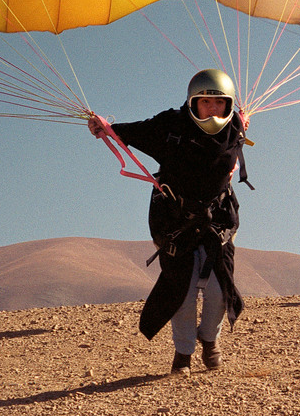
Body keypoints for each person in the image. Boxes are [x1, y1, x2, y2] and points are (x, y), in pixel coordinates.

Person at [88, 69, 250, 376]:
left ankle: (209, 339)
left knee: (220, 291)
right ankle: (184, 353)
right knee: (183, 290)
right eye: (205, 103)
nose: (212, 110)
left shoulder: (236, 129)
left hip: (217, 221)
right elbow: (135, 131)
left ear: (229, 106)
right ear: (192, 103)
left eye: (219, 104)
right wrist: (105, 128)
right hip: (177, 221)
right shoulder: (171, 127)